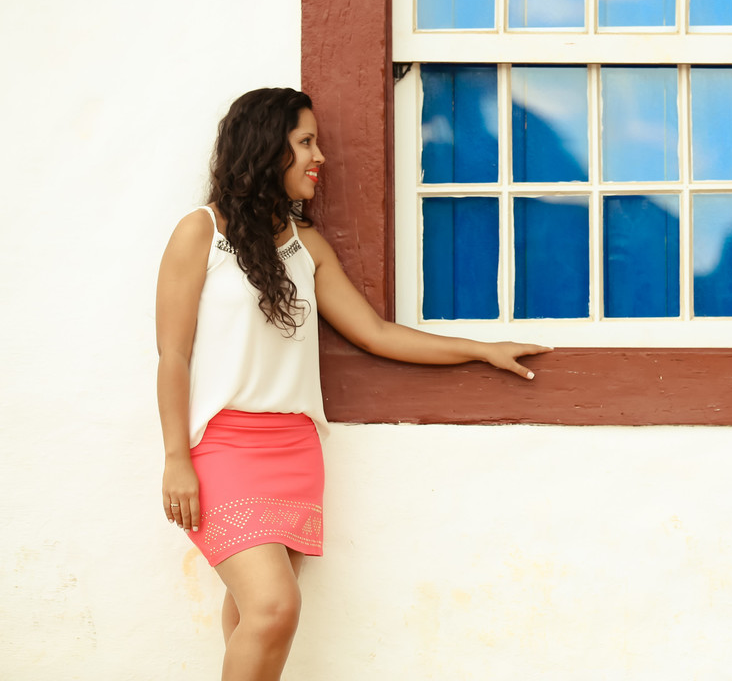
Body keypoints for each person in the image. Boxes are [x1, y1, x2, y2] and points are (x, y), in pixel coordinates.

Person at [156, 87, 552, 681]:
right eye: (306, 142)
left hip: (294, 452)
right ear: (268, 149)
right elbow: (173, 355)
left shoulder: (305, 246)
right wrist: (175, 458)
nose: (321, 157)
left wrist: (481, 350)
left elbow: (374, 333)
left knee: (250, 613)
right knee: (274, 607)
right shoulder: (201, 233)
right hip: (223, 447)